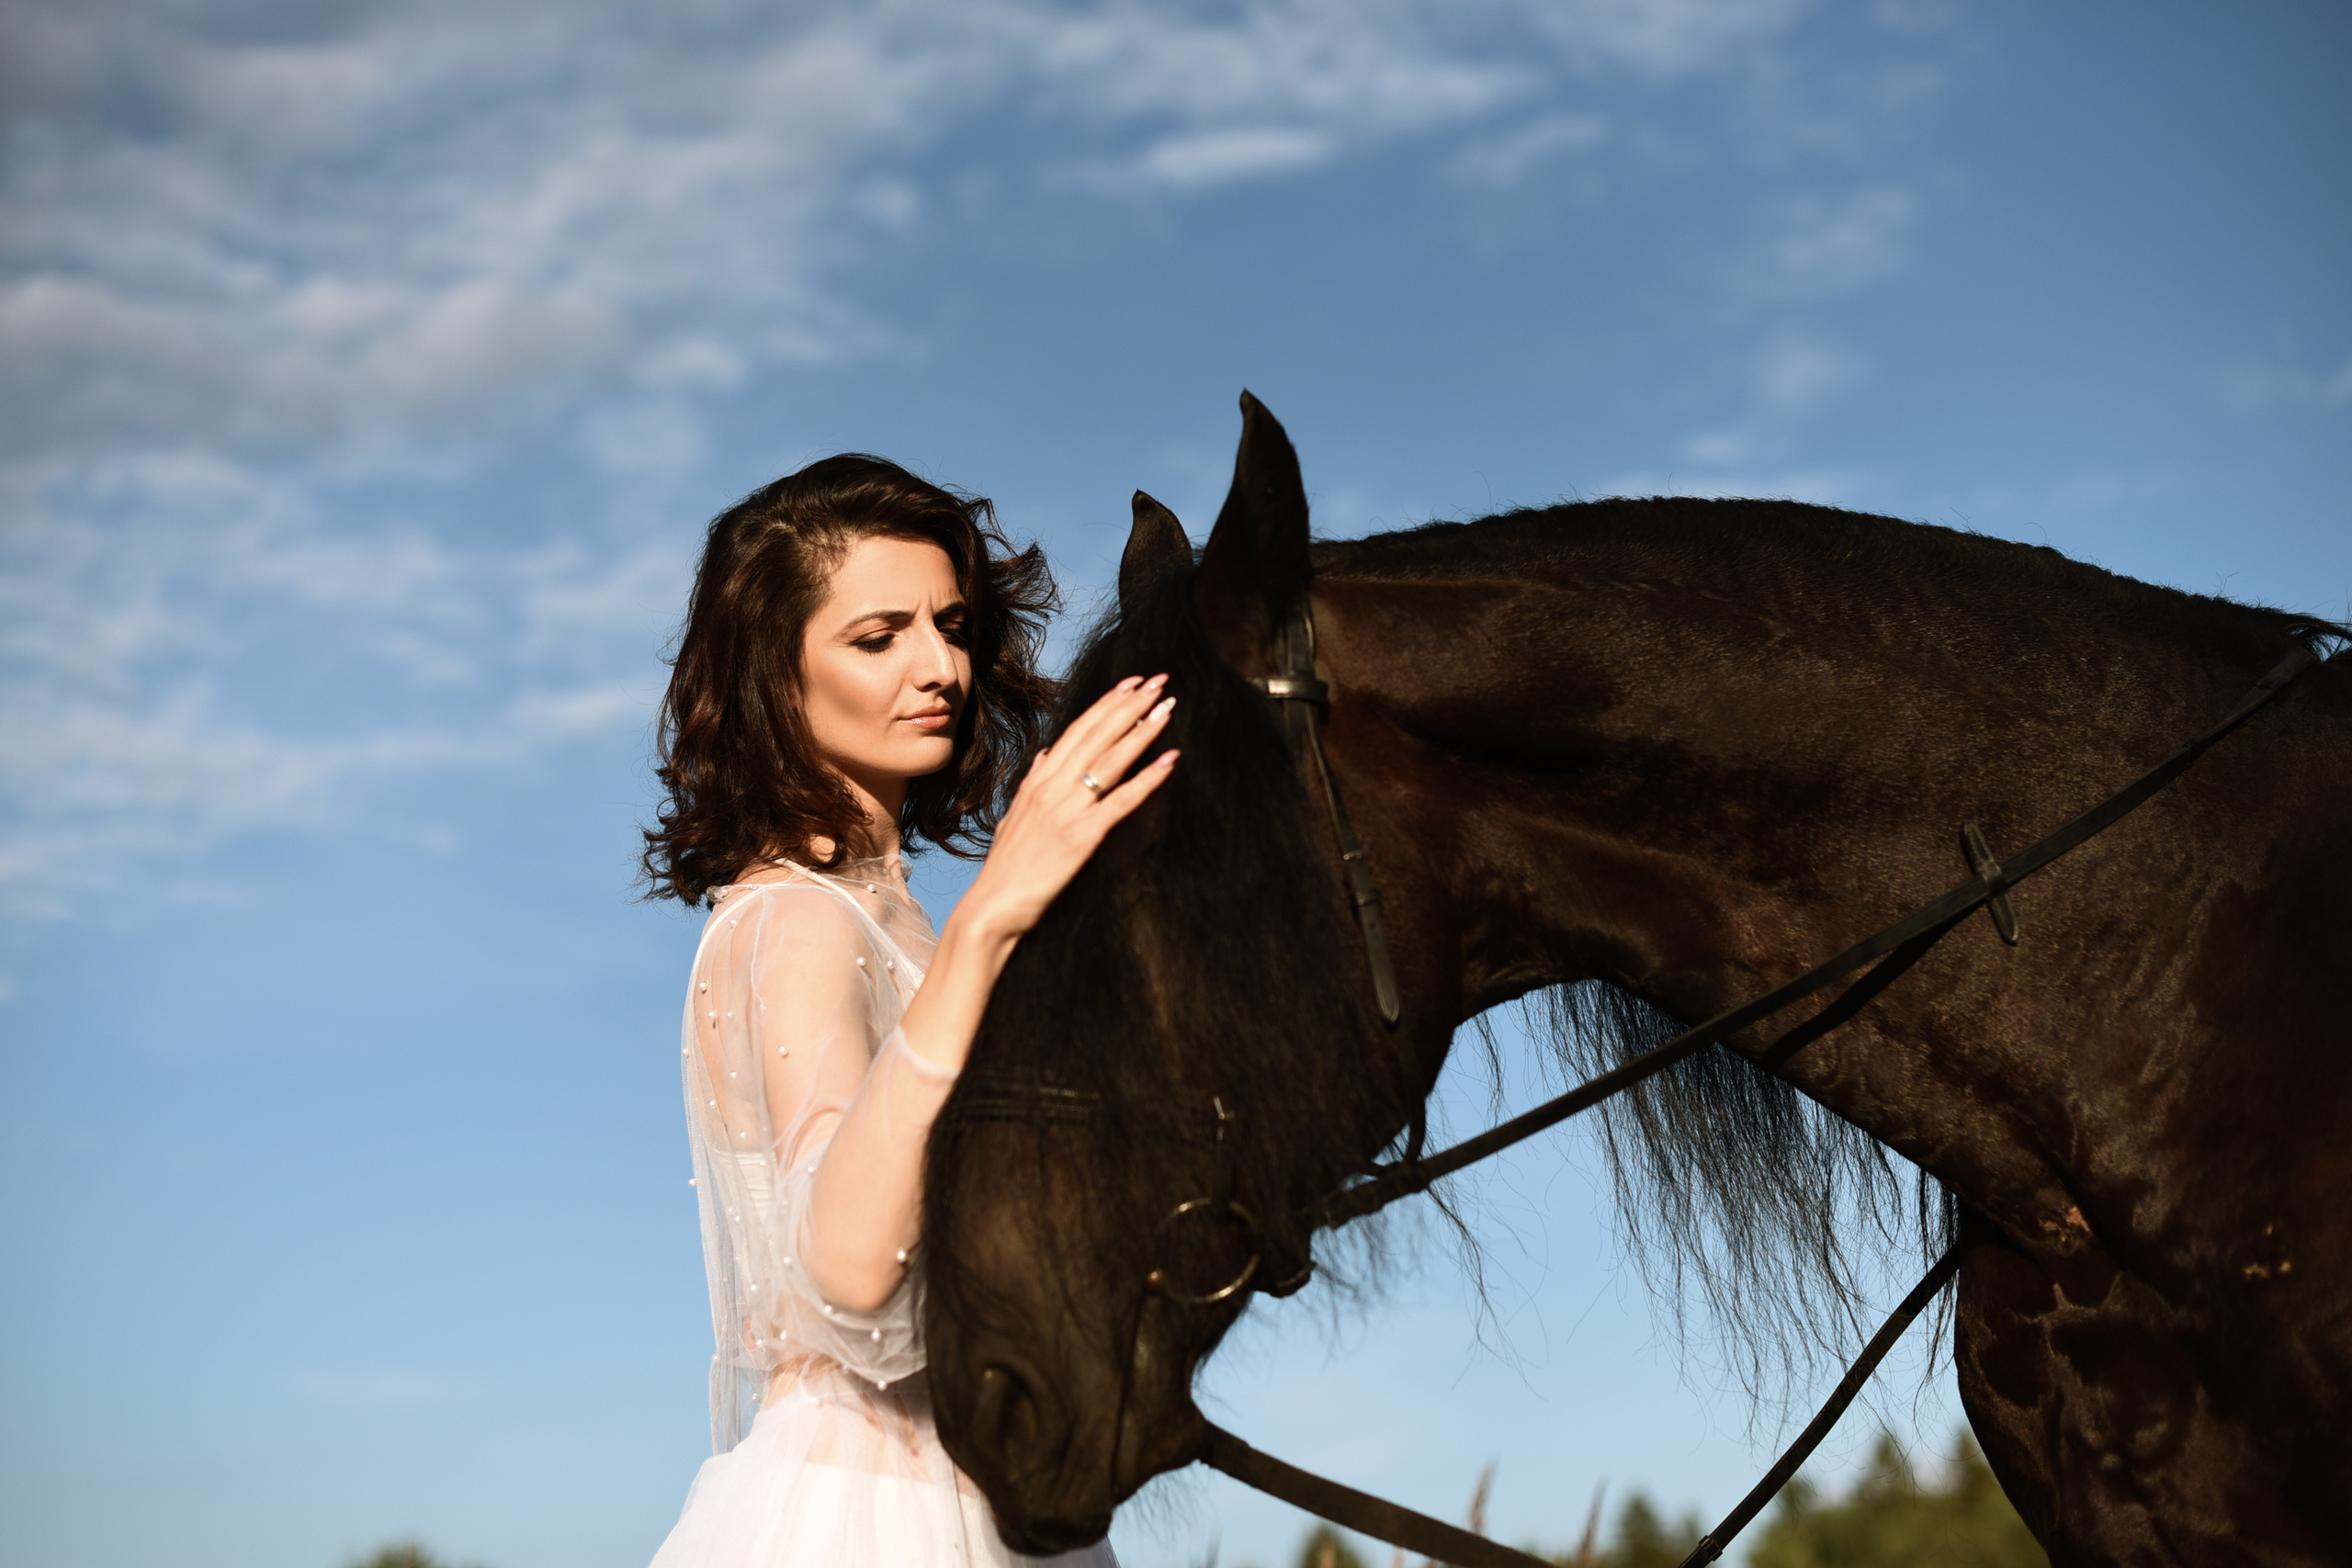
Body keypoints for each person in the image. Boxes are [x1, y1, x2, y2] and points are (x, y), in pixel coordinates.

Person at [639, 457, 1175, 1565]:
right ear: (774, 678)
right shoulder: (796, 923)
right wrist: (991, 924)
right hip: (877, 1516)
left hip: (986, 1486)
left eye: (951, 623)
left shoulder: (897, 925)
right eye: (877, 638)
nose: (940, 666)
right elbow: (847, 1270)